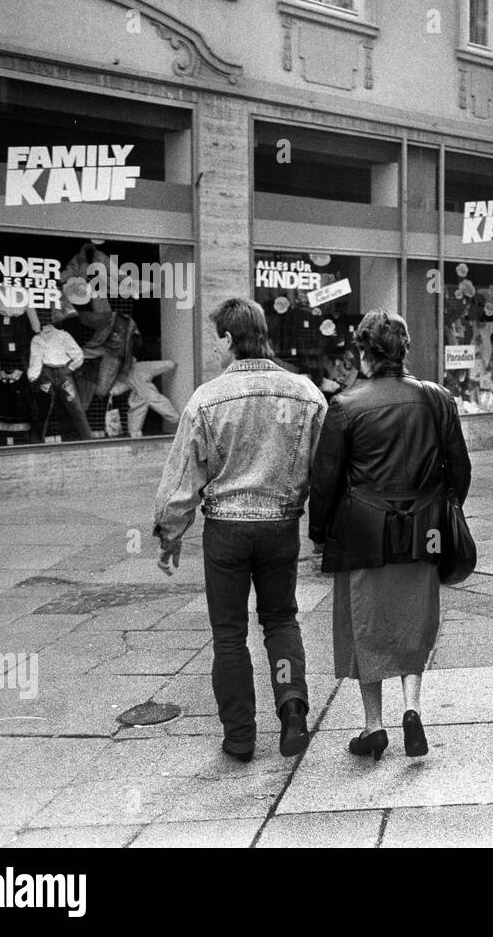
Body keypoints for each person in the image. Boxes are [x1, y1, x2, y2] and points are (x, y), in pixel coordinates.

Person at [153, 297, 327, 762]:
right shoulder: (306, 393)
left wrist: (171, 533)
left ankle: (240, 736)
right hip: (281, 527)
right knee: (281, 619)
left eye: (219, 339)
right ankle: (292, 710)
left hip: (226, 529)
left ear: (229, 339)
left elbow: (182, 476)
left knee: (229, 634)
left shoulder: (207, 398)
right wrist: (319, 531)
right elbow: (325, 468)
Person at [308, 310, 471, 760]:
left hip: (362, 533)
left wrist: (319, 533)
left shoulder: (343, 405)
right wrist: (443, 509)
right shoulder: (437, 398)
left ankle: (373, 726)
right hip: (424, 533)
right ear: (405, 351)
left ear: (363, 352)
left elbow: (325, 480)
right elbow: (460, 469)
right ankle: (413, 710)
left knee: (367, 626)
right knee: (413, 620)